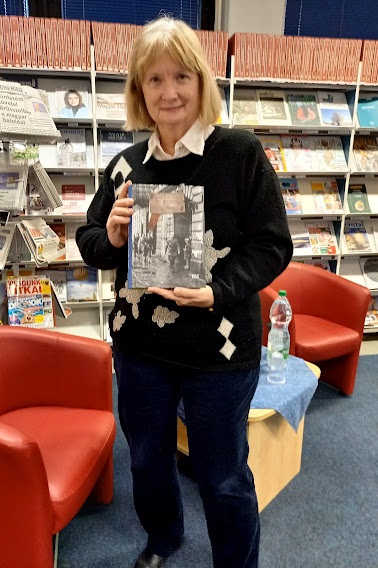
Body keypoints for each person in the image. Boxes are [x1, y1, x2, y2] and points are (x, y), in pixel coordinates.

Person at [76, 16, 293, 568]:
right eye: (154, 79)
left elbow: (273, 245)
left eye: (181, 77)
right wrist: (113, 238)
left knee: (222, 476)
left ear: (201, 82)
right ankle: (163, 539)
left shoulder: (239, 153)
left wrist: (218, 291)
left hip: (218, 349)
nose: (169, 92)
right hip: (140, 348)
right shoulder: (126, 165)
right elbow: (89, 240)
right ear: (139, 90)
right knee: (147, 461)